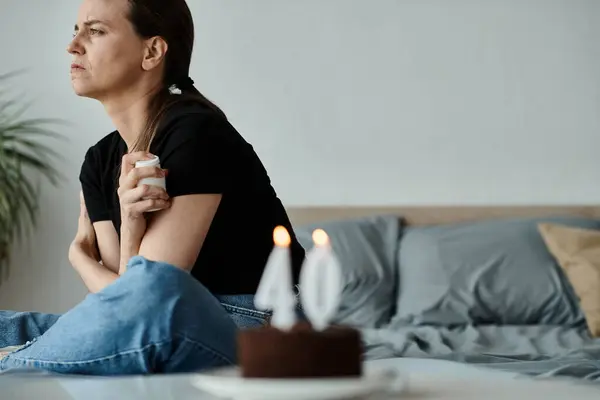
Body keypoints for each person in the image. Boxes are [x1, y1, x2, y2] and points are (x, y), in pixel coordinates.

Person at [0, 0, 305, 375]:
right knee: (6, 326)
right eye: (75, 30)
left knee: (145, 322)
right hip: (157, 321)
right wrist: (127, 229)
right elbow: (117, 304)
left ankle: (14, 361)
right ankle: (22, 352)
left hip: (257, 320)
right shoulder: (100, 160)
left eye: (95, 31)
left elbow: (146, 301)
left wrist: (80, 256)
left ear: (152, 51)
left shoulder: (196, 132)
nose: (73, 45)